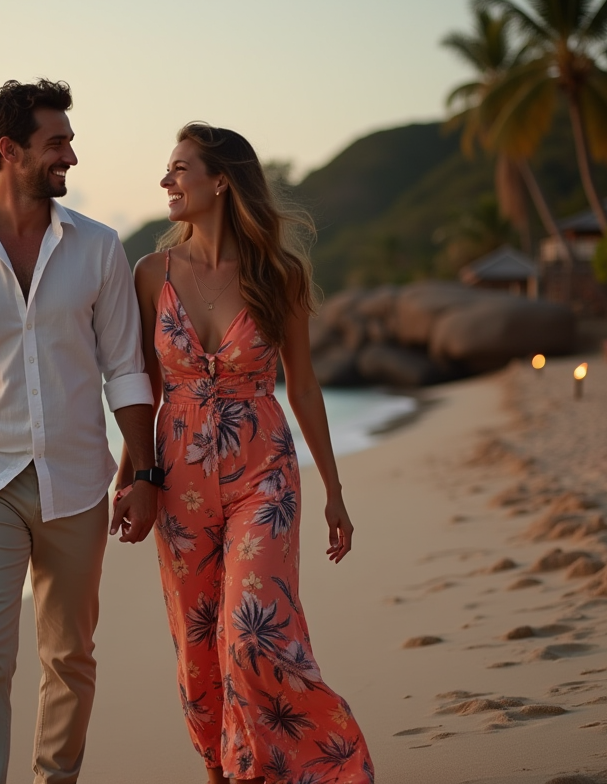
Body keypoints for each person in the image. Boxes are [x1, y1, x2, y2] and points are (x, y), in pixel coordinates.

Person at [0, 79, 159, 784]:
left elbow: (126, 372)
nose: (71, 155)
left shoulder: (99, 249)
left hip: (76, 480)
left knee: (70, 655)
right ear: (8, 151)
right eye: (57, 143)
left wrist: (144, 472)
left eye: (69, 141)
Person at [117, 123, 374, 784]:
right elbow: (140, 385)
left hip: (265, 471)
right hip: (178, 481)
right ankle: (228, 774)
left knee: (255, 634)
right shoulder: (150, 275)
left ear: (220, 180)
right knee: (200, 657)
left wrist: (334, 492)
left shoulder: (279, 273)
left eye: (179, 169)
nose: (166, 181)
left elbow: (306, 384)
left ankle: (332, 768)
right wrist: (134, 474)